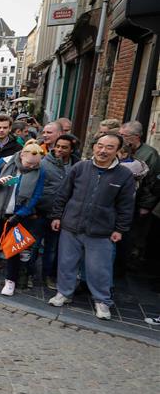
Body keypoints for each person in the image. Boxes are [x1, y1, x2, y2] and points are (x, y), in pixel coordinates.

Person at [48, 133, 135, 319]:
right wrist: (57, 216)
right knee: (66, 263)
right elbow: (63, 194)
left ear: (118, 151)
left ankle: (102, 301)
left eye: (109, 147)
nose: (103, 150)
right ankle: (64, 292)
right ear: (94, 147)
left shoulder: (124, 175)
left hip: (101, 231)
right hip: (71, 225)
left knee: (99, 268)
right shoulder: (80, 167)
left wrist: (120, 229)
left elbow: (126, 206)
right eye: (100, 146)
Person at [0, 141, 46, 297]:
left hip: (18, 214)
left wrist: (22, 213)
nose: (31, 167)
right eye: (29, 163)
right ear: (22, 155)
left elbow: (36, 195)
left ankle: (11, 280)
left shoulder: (40, 170)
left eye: (34, 165)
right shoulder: (4, 162)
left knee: (14, 248)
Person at [34, 134, 77, 289]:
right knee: (34, 245)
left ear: (72, 150)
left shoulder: (76, 165)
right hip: (40, 212)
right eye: (57, 146)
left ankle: (48, 276)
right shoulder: (44, 163)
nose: (59, 149)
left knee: (52, 248)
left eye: (64, 147)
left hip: (61, 215)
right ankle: (30, 274)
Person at [119, 121, 159, 262]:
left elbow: (152, 183)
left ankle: (131, 260)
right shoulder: (121, 148)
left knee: (134, 234)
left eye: (123, 135)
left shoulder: (150, 154)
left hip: (138, 201)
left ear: (135, 136)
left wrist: (146, 206)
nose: (120, 137)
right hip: (122, 201)